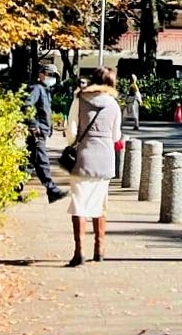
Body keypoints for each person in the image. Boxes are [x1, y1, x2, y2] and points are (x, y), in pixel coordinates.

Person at [65, 67, 122, 266]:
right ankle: (100, 250)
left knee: (79, 205)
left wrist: (74, 141)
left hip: (84, 157)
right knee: (100, 205)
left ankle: (79, 252)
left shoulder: (79, 100)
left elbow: (71, 131)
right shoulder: (114, 105)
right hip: (105, 158)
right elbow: (116, 136)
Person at [25, 69, 67, 205]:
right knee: (41, 160)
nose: (52, 78)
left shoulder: (45, 91)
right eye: (50, 75)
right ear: (41, 74)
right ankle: (52, 189)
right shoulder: (36, 89)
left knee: (31, 162)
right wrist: (33, 125)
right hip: (37, 132)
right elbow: (27, 106)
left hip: (42, 131)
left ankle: (14, 189)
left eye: (54, 76)